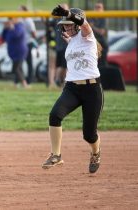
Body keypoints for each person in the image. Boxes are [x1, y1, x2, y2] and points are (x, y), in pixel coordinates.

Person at [42, 5, 104, 174]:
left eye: (70, 23)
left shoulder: (88, 36)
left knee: (89, 135)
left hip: (92, 89)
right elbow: (75, 47)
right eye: (65, 24)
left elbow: (83, 24)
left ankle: (95, 153)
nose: (67, 26)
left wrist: (69, 13)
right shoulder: (71, 41)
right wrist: (70, 39)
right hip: (72, 88)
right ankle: (56, 155)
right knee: (55, 115)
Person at [2, 18, 28, 88]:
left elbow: (16, 35)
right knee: (18, 68)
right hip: (13, 51)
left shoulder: (20, 26)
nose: (10, 21)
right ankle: (16, 83)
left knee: (16, 68)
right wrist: (5, 28)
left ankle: (24, 84)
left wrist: (11, 27)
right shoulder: (10, 27)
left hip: (19, 50)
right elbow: (4, 38)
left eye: (11, 19)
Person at [51, 3, 69, 87]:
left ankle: (61, 81)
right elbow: (48, 24)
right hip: (61, 46)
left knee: (65, 66)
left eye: (64, 8)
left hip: (67, 46)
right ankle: (58, 80)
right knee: (61, 66)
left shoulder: (69, 18)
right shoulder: (57, 19)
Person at [19, 5, 37, 85]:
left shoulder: (29, 21)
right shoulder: (20, 20)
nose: (18, 12)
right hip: (21, 44)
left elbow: (34, 33)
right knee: (19, 63)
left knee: (29, 63)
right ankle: (21, 80)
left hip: (28, 43)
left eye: (20, 10)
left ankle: (29, 81)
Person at [88, 2, 108, 68]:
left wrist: (93, 27)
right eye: (96, 7)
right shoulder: (91, 17)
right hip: (93, 43)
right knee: (93, 64)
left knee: (102, 65)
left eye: (99, 7)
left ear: (103, 9)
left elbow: (101, 32)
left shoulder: (103, 18)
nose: (97, 9)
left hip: (101, 44)